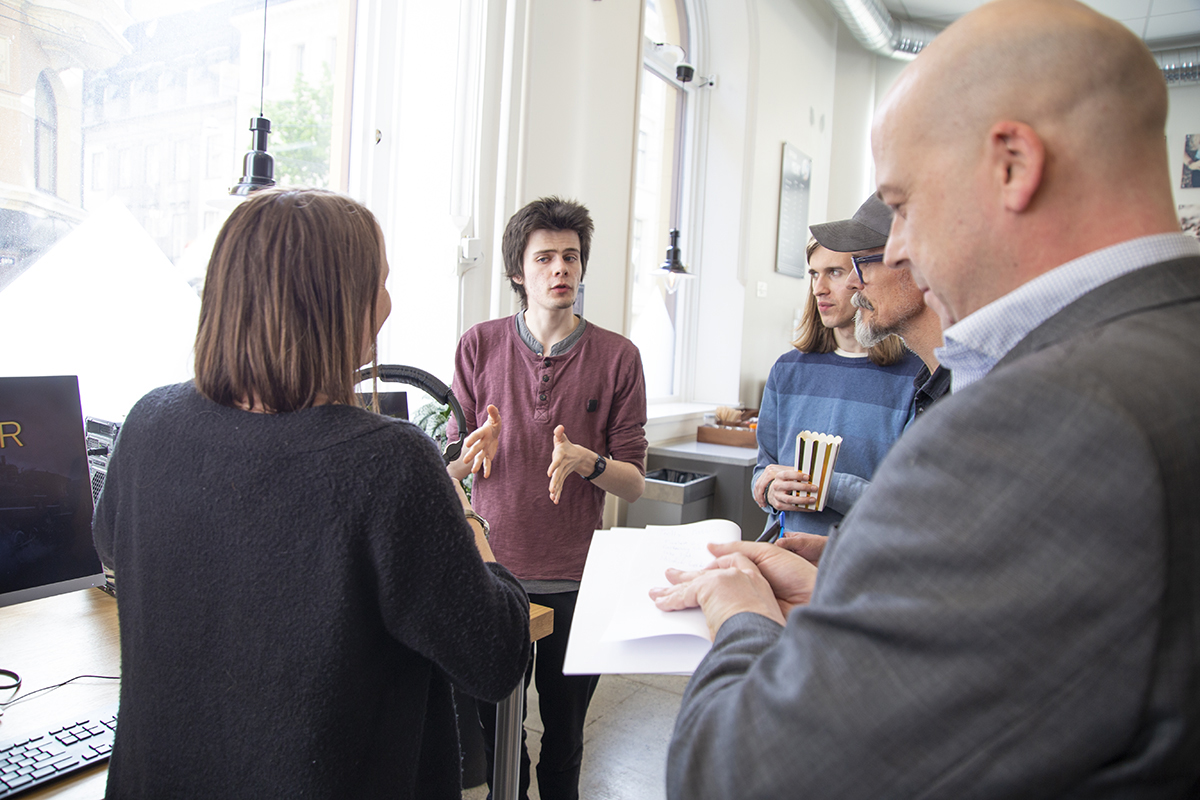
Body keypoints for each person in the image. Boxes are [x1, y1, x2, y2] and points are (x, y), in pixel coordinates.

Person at [651, 0, 1200, 796]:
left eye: (903, 206)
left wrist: (740, 610)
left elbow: (741, 773)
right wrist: (849, 582)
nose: (895, 251)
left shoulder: (1044, 419)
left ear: (1012, 163)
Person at [92, 188, 531, 800]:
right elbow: (497, 657)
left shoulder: (147, 423)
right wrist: (466, 520)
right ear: (336, 306)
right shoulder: (391, 462)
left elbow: (118, 548)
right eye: (379, 282)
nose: (388, 304)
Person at [448, 196, 648, 800]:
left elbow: (634, 483)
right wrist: (466, 455)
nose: (560, 269)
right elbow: (450, 468)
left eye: (570, 256)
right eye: (545, 258)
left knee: (563, 740)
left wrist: (590, 463)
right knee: (492, 738)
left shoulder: (619, 357)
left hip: (575, 581)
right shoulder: (477, 346)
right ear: (518, 272)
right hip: (492, 579)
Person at [752, 230, 922, 538]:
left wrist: (824, 487)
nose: (819, 288)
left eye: (834, 272)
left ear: (865, 278)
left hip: (859, 564)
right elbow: (763, 471)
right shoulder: (786, 370)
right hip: (782, 552)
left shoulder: (915, 378)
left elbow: (909, 506)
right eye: (814, 274)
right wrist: (769, 490)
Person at [842, 194, 950, 420]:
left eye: (861, 262)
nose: (851, 282)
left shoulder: (971, 392)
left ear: (915, 260)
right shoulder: (929, 385)